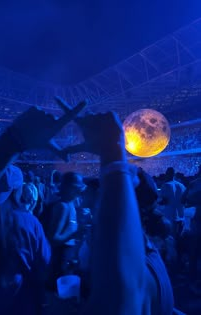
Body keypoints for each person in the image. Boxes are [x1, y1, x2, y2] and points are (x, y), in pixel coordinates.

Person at [0, 99, 87, 315]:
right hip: (23, 307)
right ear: (16, 191)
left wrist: (13, 141)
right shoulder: (27, 222)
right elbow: (43, 266)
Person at [61, 106, 174, 315]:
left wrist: (113, 150)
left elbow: (121, 296)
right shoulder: (146, 250)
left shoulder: (132, 266)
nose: (86, 191)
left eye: (101, 190)